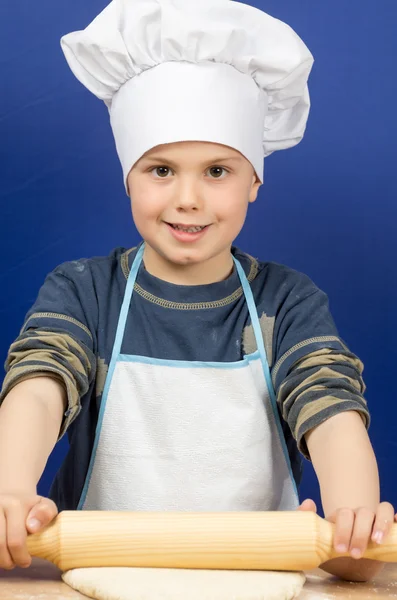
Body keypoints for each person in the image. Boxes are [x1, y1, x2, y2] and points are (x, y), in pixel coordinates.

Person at [0, 0, 394, 582]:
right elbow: (40, 383)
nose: (188, 198)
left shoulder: (286, 302)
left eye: (217, 171)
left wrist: (352, 518)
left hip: (263, 574)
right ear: (127, 177)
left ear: (254, 181)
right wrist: (9, 488)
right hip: (104, 570)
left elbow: (329, 405)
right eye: (161, 170)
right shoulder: (85, 291)